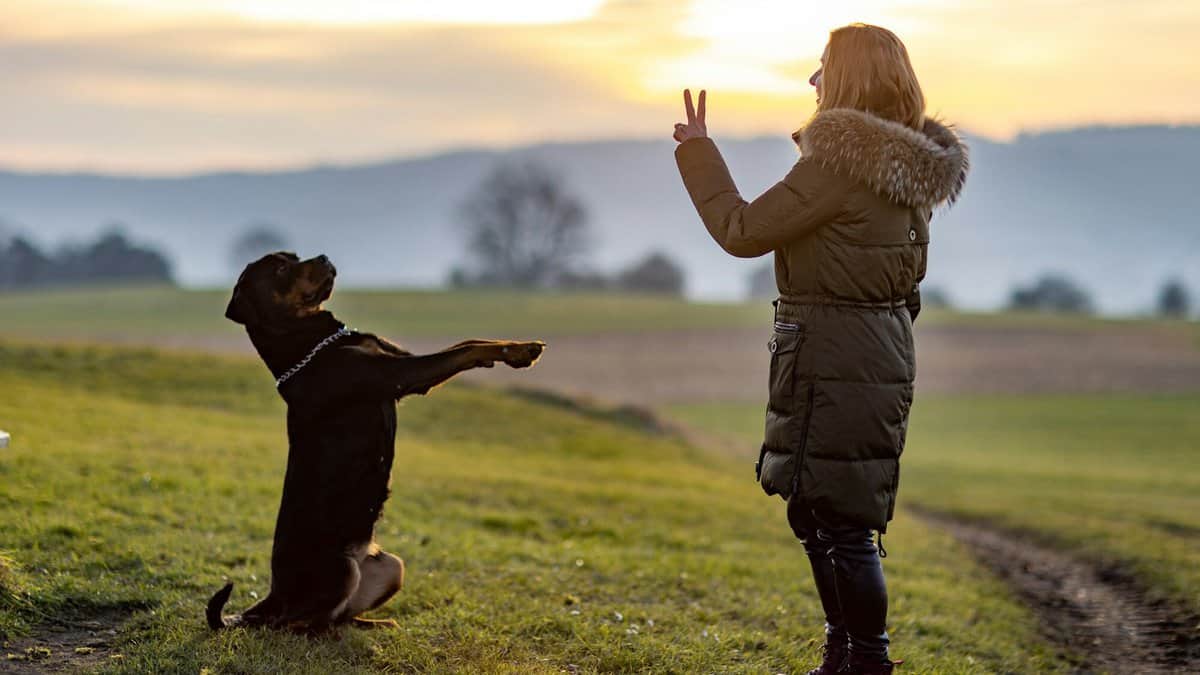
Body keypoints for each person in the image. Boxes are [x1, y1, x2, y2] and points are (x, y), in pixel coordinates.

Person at [672, 23, 968, 675]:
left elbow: (743, 229)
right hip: (871, 353)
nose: (813, 82)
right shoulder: (906, 169)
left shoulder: (841, 163)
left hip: (835, 358)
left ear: (845, 80)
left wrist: (698, 154)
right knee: (817, 510)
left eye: (821, 69)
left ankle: (866, 660)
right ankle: (844, 653)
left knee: (841, 521)